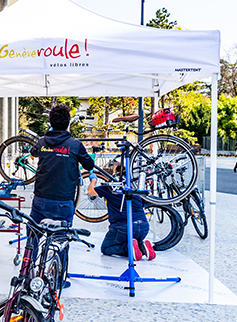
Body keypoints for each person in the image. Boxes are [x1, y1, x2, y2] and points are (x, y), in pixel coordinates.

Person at [28, 104, 95, 252]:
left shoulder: (42, 142)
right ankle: (57, 264)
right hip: (63, 202)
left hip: (41, 199)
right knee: (60, 243)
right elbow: (89, 165)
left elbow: (33, 152)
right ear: (68, 123)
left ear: (51, 122)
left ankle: (29, 264)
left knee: (33, 238)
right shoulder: (75, 145)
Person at [87, 170, 155, 261]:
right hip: (144, 226)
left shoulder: (109, 188)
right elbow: (143, 208)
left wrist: (94, 180)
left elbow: (91, 192)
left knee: (106, 248)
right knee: (130, 238)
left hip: (124, 227)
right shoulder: (135, 189)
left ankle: (129, 248)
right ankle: (142, 246)